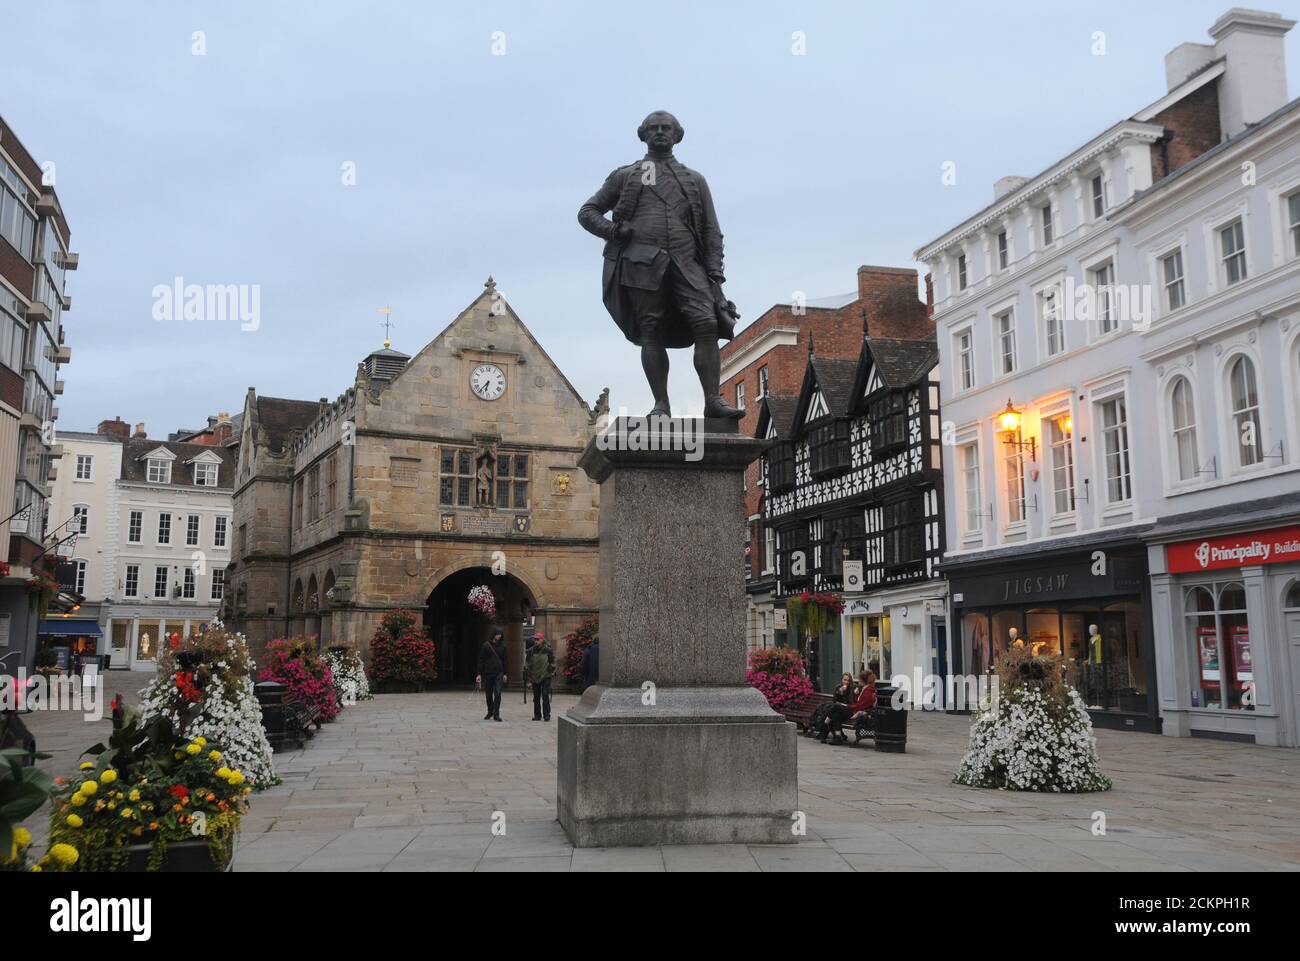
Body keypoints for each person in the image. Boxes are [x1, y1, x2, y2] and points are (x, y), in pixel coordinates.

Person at [577, 111, 742, 419]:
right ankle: (661, 405)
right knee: (650, 330)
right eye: (653, 128)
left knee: (706, 324)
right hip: (641, 263)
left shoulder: (695, 180)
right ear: (644, 135)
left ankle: (712, 400)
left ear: (677, 135)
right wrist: (613, 231)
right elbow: (588, 212)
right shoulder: (626, 176)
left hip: (687, 263)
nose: (660, 132)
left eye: (666, 128)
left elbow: (711, 230)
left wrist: (716, 272)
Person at [820, 671, 876, 744]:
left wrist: (847, 705)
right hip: (852, 710)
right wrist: (840, 692)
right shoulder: (864, 688)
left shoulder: (867, 691)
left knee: (836, 706)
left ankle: (824, 723)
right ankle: (838, 738)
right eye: (845, 680)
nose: (858, 680)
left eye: (859, 679)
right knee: (836, 715)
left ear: (863, 680)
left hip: (856, 712)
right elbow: (835, 699)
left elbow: (860, 705)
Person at [476, 630, 508, 722]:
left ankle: (496, 714)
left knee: (498, 693)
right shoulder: (486, 645)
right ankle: (490, 711)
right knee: (488, 694)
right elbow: (481, 660)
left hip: (499, 672)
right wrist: (479, 673)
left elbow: (505, 660)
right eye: (497, 634)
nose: (499, 636)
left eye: (500, 635)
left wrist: (505, 673)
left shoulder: (503, 646)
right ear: (493, 635)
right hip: (489, 672)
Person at [525, 632, 556, 721]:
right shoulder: (531, 651)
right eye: (535, 639)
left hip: (545, 676)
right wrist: (528, 678)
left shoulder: (548, 650)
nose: (536, 641)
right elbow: (527, 664)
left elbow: (553, 662)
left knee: (545, 695)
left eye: (538, 639)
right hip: (535, 676)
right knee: (536, 697)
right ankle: (537, 715)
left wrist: (549, 672)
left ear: (542, 640)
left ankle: (547, 715)